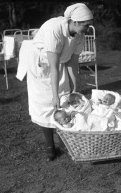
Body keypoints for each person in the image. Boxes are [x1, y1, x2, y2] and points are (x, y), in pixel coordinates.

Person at [17, 3, 93, 161]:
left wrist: (74, 88)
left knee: (65, 102)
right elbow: (53, 66)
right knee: (46, 106)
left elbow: (72, 63)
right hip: (42, 66)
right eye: (86, 25)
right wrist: (54, 94)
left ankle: (64, 143)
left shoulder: (80, 35)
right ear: (75, 22)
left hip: (60, 65)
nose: (87, 28)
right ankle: (50, 147)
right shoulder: (54, 29)